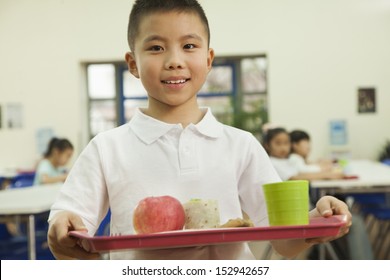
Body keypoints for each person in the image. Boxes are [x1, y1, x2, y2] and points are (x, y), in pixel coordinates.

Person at [47, 0, 351, 260]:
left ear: (208, 60)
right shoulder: (107, 148)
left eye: (189, 46)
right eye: (156, 47)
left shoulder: (240, 145)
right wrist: (63, 226)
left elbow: (284, 240)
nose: (174, 61)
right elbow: (69, 222)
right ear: (133, 63)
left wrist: (318, 220)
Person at [263, 128, 344, 181]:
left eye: (286, 143)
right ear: (267, 145)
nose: (283, 147)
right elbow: (294, 178)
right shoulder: (272, 163)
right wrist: (326, 175)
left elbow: (299, 173)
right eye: (278, 143)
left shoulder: (285, 161)